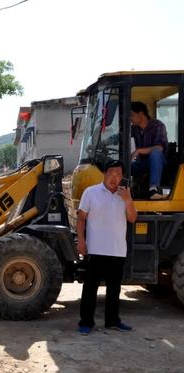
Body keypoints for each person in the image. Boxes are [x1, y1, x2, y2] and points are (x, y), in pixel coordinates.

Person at [77, 160, 137, 335]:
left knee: (114, 289)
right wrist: (81, 241)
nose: (115, 177)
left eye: (119, 174)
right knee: (90, 288)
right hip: (95, 249)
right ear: (105, 173)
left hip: (117, 250)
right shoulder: (91, 192)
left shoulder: (124, 195)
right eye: (112, 173)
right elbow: (81, 218)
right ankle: (86, 323)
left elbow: (133, 218)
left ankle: (113, 321)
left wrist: (128, 200)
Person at [130, 101, 168, 200]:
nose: (130, 118)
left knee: (155, 154)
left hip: (158, 163)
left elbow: (159, 147)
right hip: (141, 164)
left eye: (132, 115)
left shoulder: (158, 126)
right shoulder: (134, 129)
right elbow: (120, 136)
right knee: (122, 163)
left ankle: (153, 189)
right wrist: (105, 141)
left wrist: (138, 151)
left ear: (141, 114)